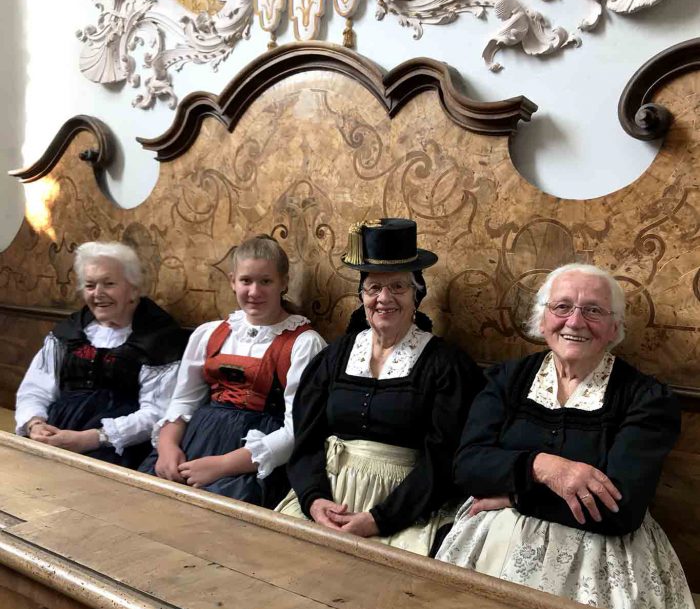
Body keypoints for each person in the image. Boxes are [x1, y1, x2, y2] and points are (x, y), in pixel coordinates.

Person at [436, 263, 700, 609]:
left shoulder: (646, 398)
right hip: (492, 545)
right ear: (542, 320)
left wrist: (515, 497)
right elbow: (467, 467)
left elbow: (619, 511)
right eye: (562, 307)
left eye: (593, 310)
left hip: (603, 556)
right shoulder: (507, 379)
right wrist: (543, 467)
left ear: (614, 327)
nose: (575, 321)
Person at [277, 218, 484, 555]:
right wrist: (314, 501)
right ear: (362, 295)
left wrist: (379, 519)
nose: (384, 298)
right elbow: (306, 440)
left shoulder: (445, 366)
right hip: (324, 499)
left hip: (403, 508)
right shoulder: (334, 357)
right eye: (373, 288)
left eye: (398, 287)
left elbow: (444, 459)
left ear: (417, 294)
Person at [139, 234, 326, 506]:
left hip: (252, 461)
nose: (254, 291)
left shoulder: (304, 343)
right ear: (232, 281)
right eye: (246, 281)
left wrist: (222, 466)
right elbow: (182, 400)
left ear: (283, 283)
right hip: (195, 442)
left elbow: (297, 431)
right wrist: (167, 448)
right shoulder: (208, 334)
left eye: (266, 281)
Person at [15, 241, 188, 467]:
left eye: (109, 284)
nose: (98, 294)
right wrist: (35, 424)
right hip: (56, 432)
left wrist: (92, 438)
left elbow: (157, 413)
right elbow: (35, 388)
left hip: (120, 447)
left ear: (133, 289)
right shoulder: (68, 333)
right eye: (89, 285)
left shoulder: (158, 338)